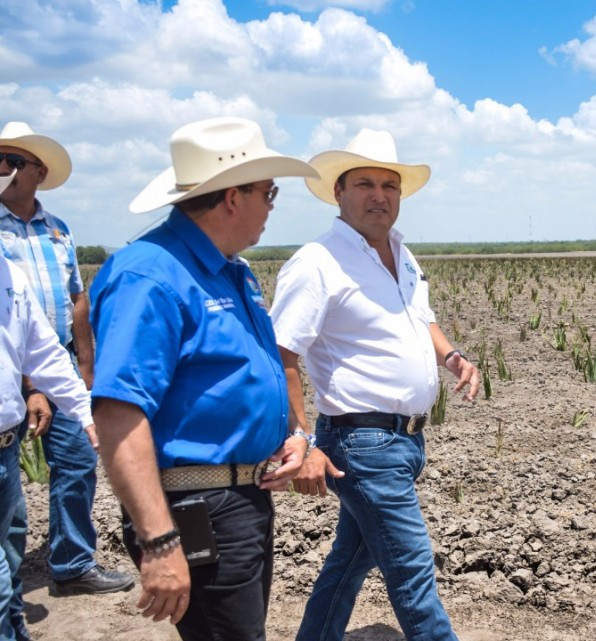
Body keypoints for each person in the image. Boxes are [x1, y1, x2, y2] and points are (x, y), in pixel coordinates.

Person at [88, 117, 317, 641]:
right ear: (233, 197)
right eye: (269, 192)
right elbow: (120, 414)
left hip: (241, 502)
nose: (272, 206)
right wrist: (159, 542)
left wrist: (294, 437)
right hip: (196, 513)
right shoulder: (149, 275)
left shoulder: (229, 270)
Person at [271, 129, 479, 641]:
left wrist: (451, 356)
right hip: (362, 442)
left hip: (405, 439)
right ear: (338, 193)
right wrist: (301, 437)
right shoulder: (317, 262)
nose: (379, 194)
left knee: (350, 560)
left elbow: (421, 317)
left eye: (389, 184)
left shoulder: (402, 255)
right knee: (412, 574)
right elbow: (280, 354)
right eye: (364, 182)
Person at [0, 121, 133, 636]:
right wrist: (34, 388)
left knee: (77, 463)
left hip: (55, 360)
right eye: (2, 161)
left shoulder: (57, 229)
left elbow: (77, 299)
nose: (8, 171)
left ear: (40, 171)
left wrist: (84, 373)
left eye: (16, 162)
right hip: (20, 372)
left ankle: (72, 563)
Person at [1, 249, 96, 641]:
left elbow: (43, 353)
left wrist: (87, 414)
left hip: (5, 448)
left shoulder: (10, 275)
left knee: (9, 558)